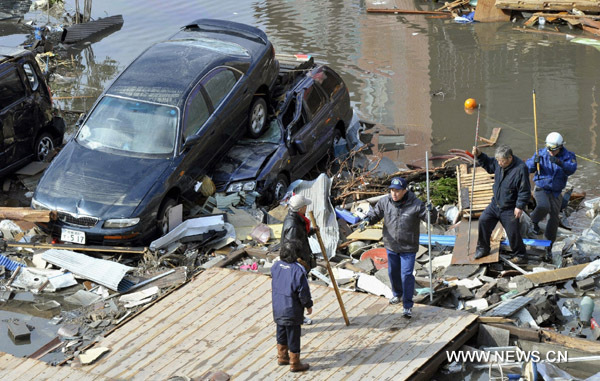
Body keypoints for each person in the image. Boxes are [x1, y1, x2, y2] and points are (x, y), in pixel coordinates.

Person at [360, 177, 436, 318]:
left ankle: (407, 305)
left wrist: (432, 211)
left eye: (397, 191)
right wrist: (367, 220)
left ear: (405, 191)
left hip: (408, 247)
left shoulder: (416, 204)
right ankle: (397, 294)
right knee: (393, 273)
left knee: (406, 275)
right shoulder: (385, 202)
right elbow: (375, 214)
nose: (394, 193)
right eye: (392, 190)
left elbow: (432, 219)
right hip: (391, 245)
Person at [473, 145, 531, 263]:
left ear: (509, 158)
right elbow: (489, 164)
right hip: (496, 204)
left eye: (502, 161)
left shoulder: (520, 168)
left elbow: (524, 190)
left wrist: (519, 206)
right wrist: (479, 154)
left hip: (510, 207)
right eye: (498, 160)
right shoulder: (499, 163)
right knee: (483, 221)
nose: (499, 163)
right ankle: (483, 248)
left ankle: (520, 255)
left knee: (513, 232)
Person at [525, 132, 577, 260]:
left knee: (553, 219)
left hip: (556, 191)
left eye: (554, 150)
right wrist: (533, 163)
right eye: (549, 149)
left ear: (560, 147)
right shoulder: (541, 154)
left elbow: (571, 169)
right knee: (543, 206)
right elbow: (527, 168)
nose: (551, 153)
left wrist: (560, 163)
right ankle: (533, 221)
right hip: (541, 187)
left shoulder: (568, 156)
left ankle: (548, 246)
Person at [271, 240, 313, 372]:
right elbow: (303, 292)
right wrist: (308, 305)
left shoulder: (276, 265)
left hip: (278, 306)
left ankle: (282, 356)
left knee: (281, 331)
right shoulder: (298, 270)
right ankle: (295, 363)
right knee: (293, 335)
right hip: (292, 309)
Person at [281, 194, 318, 271]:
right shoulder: (293, 225)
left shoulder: (297, 219)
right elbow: (289, 249)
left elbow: (301, 234)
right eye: (305, 206)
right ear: (300, 209)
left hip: (302, 258)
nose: (306, 207)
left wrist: (313, 230)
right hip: (298, 263)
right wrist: (301, 264)